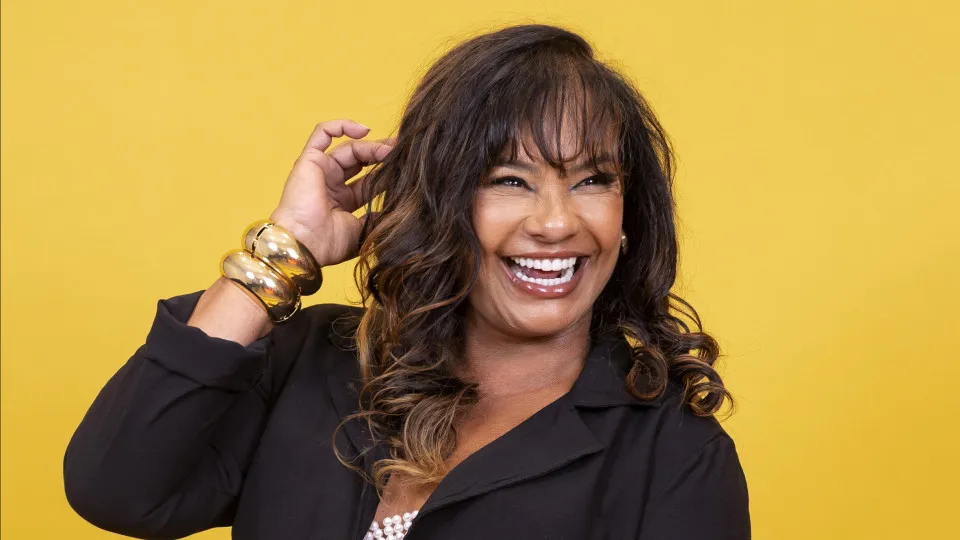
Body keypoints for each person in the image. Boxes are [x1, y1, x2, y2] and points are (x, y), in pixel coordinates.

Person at [63, 24, 750, 540]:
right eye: (509, 180)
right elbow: (117, 488)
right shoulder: (313, 363)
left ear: (629, 216)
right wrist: (284, 251)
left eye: (593, 180)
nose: (555, 222)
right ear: (439, 201)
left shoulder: (674, 456)